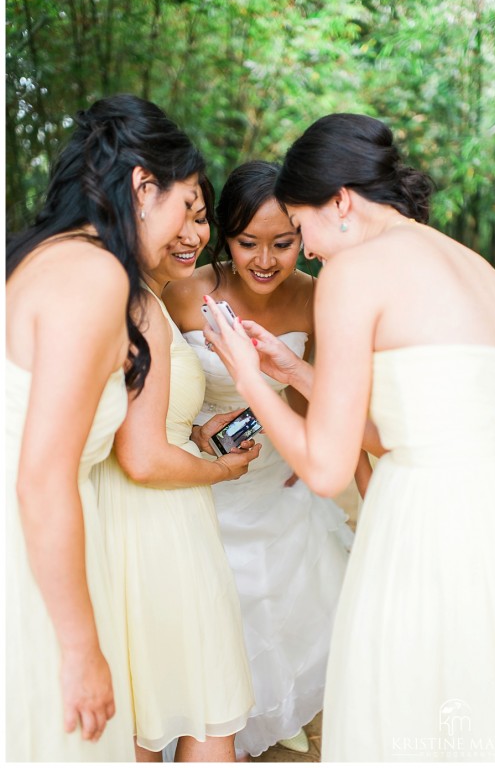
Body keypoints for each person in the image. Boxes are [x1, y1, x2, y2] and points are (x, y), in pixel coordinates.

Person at [203, 114, 495, 762]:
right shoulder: (478, 269)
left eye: (302, 228)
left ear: (341, 201)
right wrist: (292, 370)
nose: (310, 250)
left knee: (411, 715)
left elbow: (325, 470)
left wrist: (245, 375)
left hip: (428, 533)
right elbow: (398, 433)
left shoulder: (355, 274)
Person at [5, 92, 196, 760]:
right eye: (183, 206)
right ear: (145, 187)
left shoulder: (36, 257)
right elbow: (40, 478)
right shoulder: (92, 275)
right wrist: (82, 649)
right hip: (33, 569)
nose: (185, 230)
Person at [162, 160, 369, 760]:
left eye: (283, 243)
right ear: (224, 235)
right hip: (204, 482)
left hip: (279, 481)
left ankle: (272, 714)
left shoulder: (313, 295)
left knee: (288, 608)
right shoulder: (182, 294)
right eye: (248, 242)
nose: (265, 260)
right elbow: (158, 401)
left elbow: (324, 407)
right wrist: (201, 429)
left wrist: (344, 483)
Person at [90, 169, 260, 763]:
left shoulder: (137, 296)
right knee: (202, 711)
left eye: (201, 216)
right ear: (137, 205)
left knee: (145, 714)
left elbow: (130, 420)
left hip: (134, 522)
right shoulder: (138, 302)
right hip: (159, 529)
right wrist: (222, 471)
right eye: (183, 212)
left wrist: (191, 431)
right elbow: (142, 457)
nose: (193, 233)